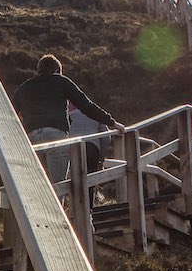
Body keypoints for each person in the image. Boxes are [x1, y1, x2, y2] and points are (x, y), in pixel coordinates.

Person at [13, 55, 120, 188]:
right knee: (58, 186)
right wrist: (112, 123)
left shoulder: (25, 87)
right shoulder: (61, 82)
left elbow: (9, 114)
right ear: (57, 70)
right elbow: (86, 106)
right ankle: (56, 208)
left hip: (32, 138)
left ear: (38, 70)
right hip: (56, 135)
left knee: (39, 186)